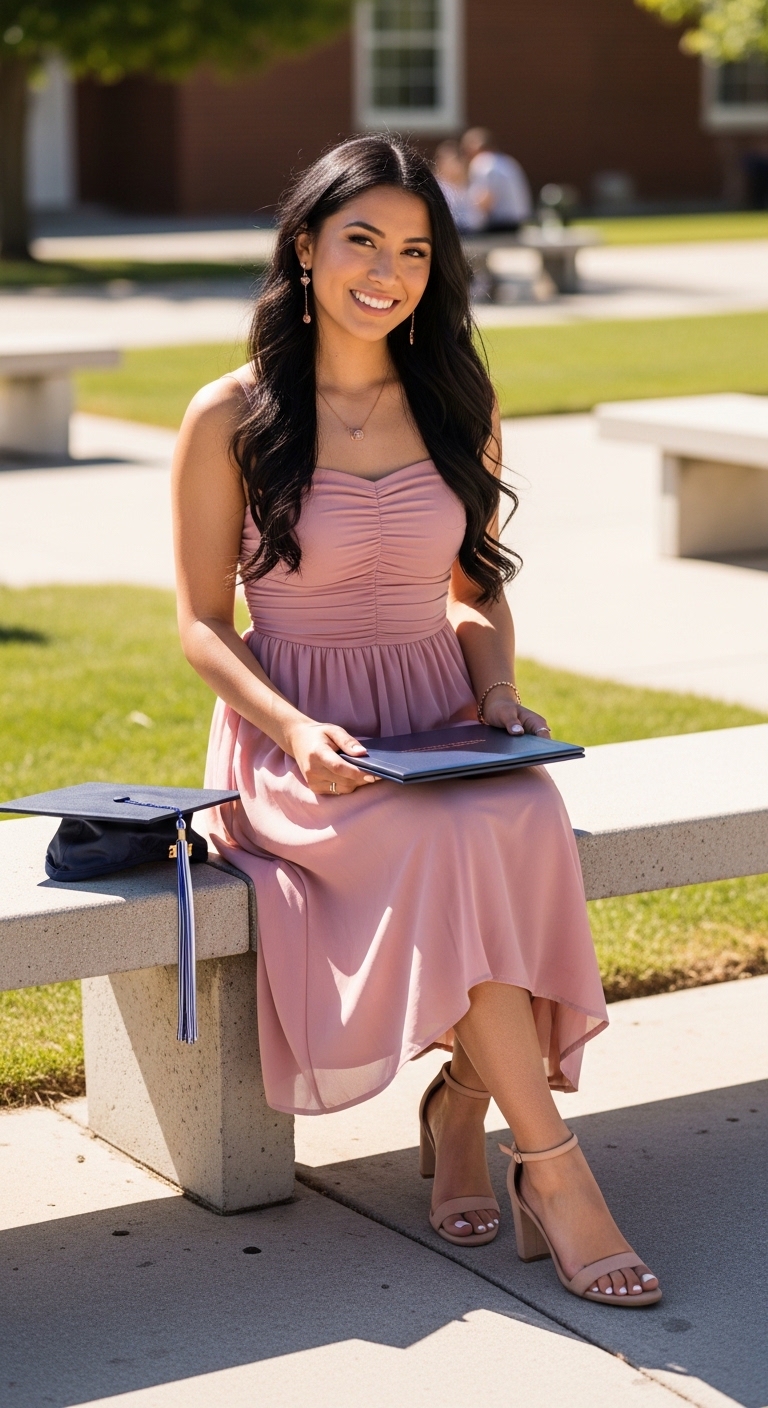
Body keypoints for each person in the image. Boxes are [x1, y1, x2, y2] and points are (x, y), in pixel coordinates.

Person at [172, 135, 660, 1307]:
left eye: (415, 250)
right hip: (299, 740)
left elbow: (475, 590)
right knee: (449, 843)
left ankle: (462, 1105)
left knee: (528, 810)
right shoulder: (229, 413)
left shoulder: (457, 396)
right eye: (361, 242)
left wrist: (494, 694)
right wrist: (293, 730)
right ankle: (558, 1173)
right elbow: (198, 623)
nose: (388, 271)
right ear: (303, 249)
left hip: (438, 715)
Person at [461, 126, 533, 232]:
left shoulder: (483, 162)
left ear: (475, 146)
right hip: (518, 223)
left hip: (500, 226)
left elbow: (484, 201)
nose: (466, 155)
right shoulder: (507, 160)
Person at [433, 139, 485, 233]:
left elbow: (478, 217)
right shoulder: (437, 188)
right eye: (447, 162)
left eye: (454, 161)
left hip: (476, 235)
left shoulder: (471, 184)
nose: (452, 166)